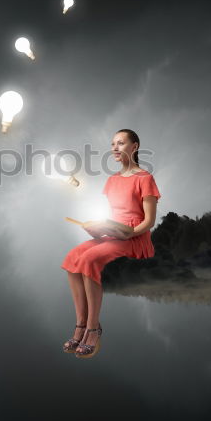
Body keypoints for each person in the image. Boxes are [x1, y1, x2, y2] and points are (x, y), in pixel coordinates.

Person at [61, 129, 161, 358]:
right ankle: (81, 323)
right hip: (113, 232)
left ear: (134, 147)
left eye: (121, 143)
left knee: (89, 259)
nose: (115, 148)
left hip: (135, 237)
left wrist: (128, 234)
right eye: (113, 143)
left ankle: (93, 328)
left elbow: (149, 221)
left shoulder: (145, 178)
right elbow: (114, 216)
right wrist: (96, 228)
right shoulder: (112, 180)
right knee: (72, 257)